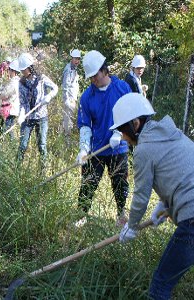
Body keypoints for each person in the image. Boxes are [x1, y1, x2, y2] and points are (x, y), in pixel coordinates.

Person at [112, 93, 194, 300]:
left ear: (135, 123)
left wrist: (131, 225)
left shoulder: (144, 148)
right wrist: (164, 204)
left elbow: (140, 195)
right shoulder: (171, 133)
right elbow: (181, 173)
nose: (122, 137)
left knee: (160, 286)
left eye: (123, 130)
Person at [75, 50, 132, 227]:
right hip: (97, 148)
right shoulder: (87, 96)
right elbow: (85, 124)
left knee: (120, 183)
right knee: (88, 183)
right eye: (90, 77)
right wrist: (84, 148)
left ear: (104, 70)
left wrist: (119, 133)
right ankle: (81, 216)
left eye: (95, 75)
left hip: (118, 147)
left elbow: (132, 115)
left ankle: (121, 215)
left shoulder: (122, 88)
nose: (93, 79)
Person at [17, 52, 58, 171]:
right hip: (28, 118)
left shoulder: (41, 79)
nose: (22, 72)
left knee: (42, 145)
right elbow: (22, 102)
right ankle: (17, 169)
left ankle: (44, 170)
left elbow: (55, 88)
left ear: (30, 67)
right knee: (22, 145)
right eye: (21, 70)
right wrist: (21, 114)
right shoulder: (21, 83)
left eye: (24, 69)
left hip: (41, 117)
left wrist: (48, 97)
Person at [0, 59, 20, 139]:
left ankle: (11, 144)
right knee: (3, 126)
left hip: (10, 109)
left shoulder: (14, 82)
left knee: (7, 128)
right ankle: (1, 142)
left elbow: (4, 94)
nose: (8, 72)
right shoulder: (16, 81)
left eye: (9, 70)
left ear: (14, 71)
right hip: (11, 109)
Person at [61, 49, 81, 139]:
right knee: (68, 121)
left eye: (78, 59)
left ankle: (63, 137)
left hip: (73, 98)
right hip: (69, 99)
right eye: (75, 59)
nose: (77, 61)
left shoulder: (74, 69)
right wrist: (67, 100)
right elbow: (65, 86)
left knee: (68, 120)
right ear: (71, 58)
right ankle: (67, 140)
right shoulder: (68, 70)